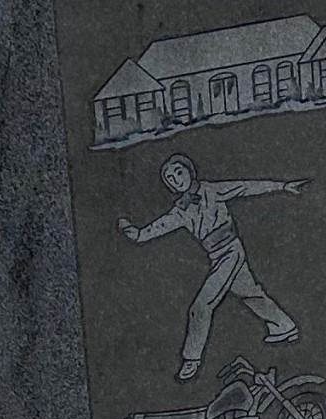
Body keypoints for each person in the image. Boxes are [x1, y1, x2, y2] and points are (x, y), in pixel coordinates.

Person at [119, 154, 306, 380]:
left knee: (201, 305)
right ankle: (284, 325)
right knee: (250, 293)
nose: (176, 179)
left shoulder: (212, 191)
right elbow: (158, 227)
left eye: (179, 172)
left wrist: (282, 186)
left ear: (190, 171)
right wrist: (138, 234)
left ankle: (191, 358)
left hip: (231, 251)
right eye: (170, 178)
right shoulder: (180, 210)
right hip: (217, 256)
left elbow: (245, 187)